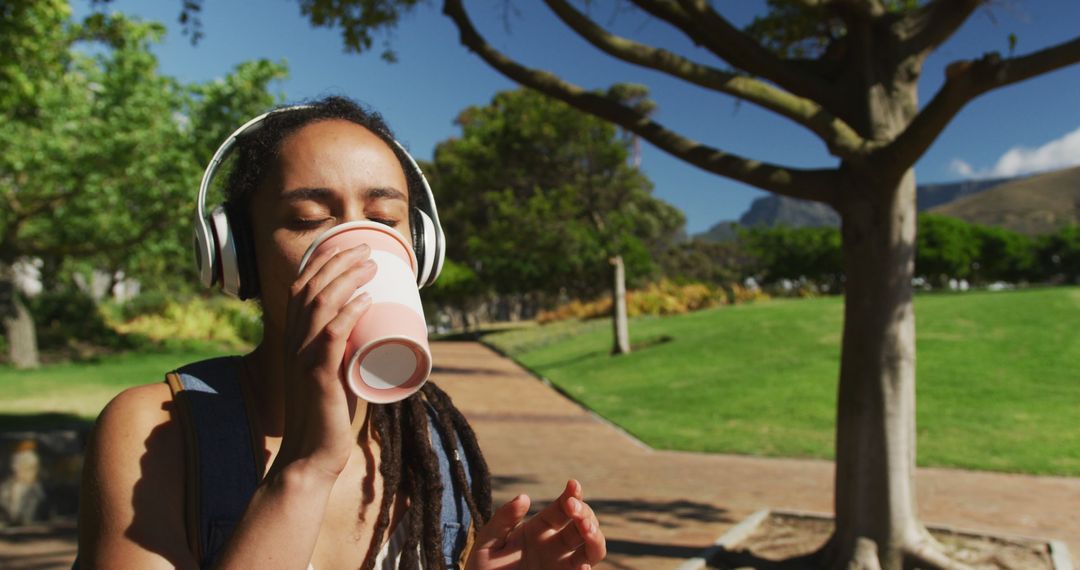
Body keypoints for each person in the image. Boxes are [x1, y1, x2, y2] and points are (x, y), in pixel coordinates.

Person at [76, 96, 607, 569]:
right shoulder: (153, 431)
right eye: (308, 219)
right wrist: (304, 468)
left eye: (383, 218)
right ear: (238, 255)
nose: (357, 247)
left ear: (419, 250)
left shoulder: (436, 445)